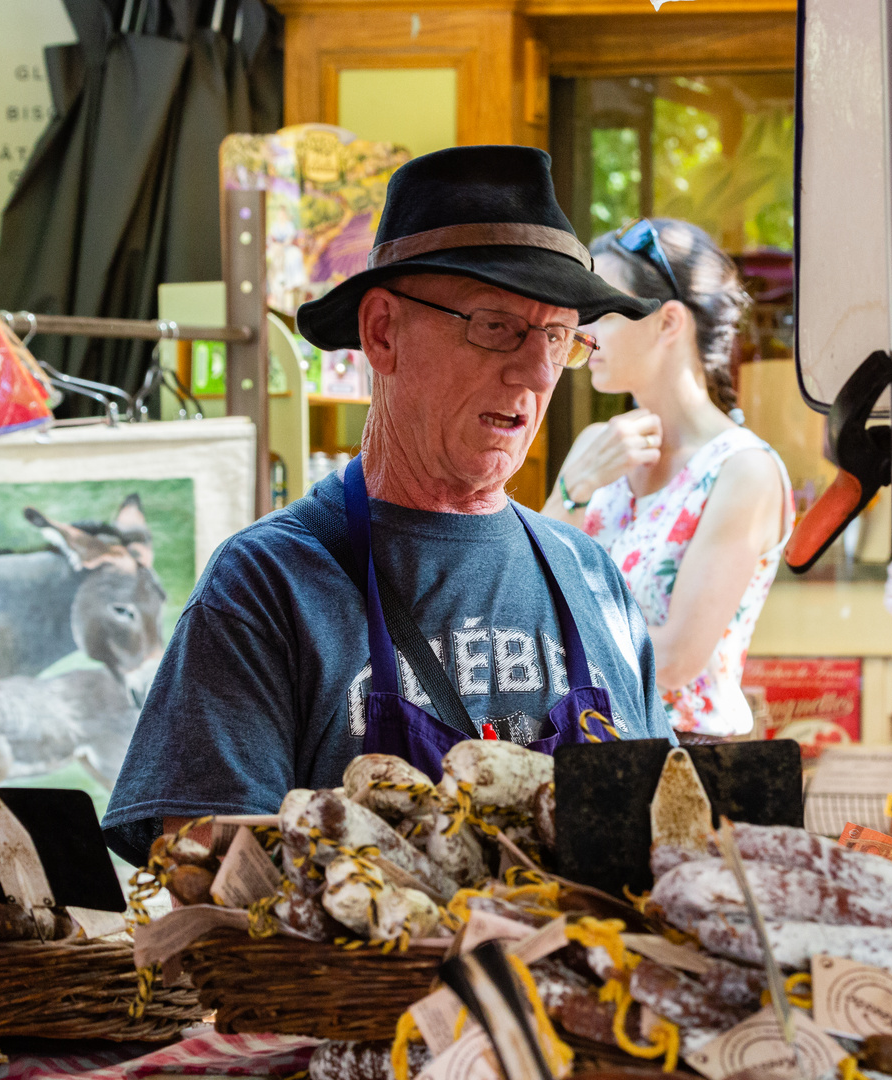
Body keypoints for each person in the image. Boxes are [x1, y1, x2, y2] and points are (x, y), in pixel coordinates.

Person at [101, 146, 676, 866]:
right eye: (496, 325)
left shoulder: (595, 581)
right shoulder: (266, 588)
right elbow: (200, 876)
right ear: (382, 333)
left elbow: (666, 845)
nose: (534, 371)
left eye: (558, 337)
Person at [542, 219, 791, 739]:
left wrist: (553, 653)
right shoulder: (595, 448)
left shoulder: (743, 470)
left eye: (602, 312)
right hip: (578, 752)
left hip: (688, 764)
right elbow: (521, 602)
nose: (582, 333)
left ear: (669, 322)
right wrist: (572, 490)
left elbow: (676, 659)